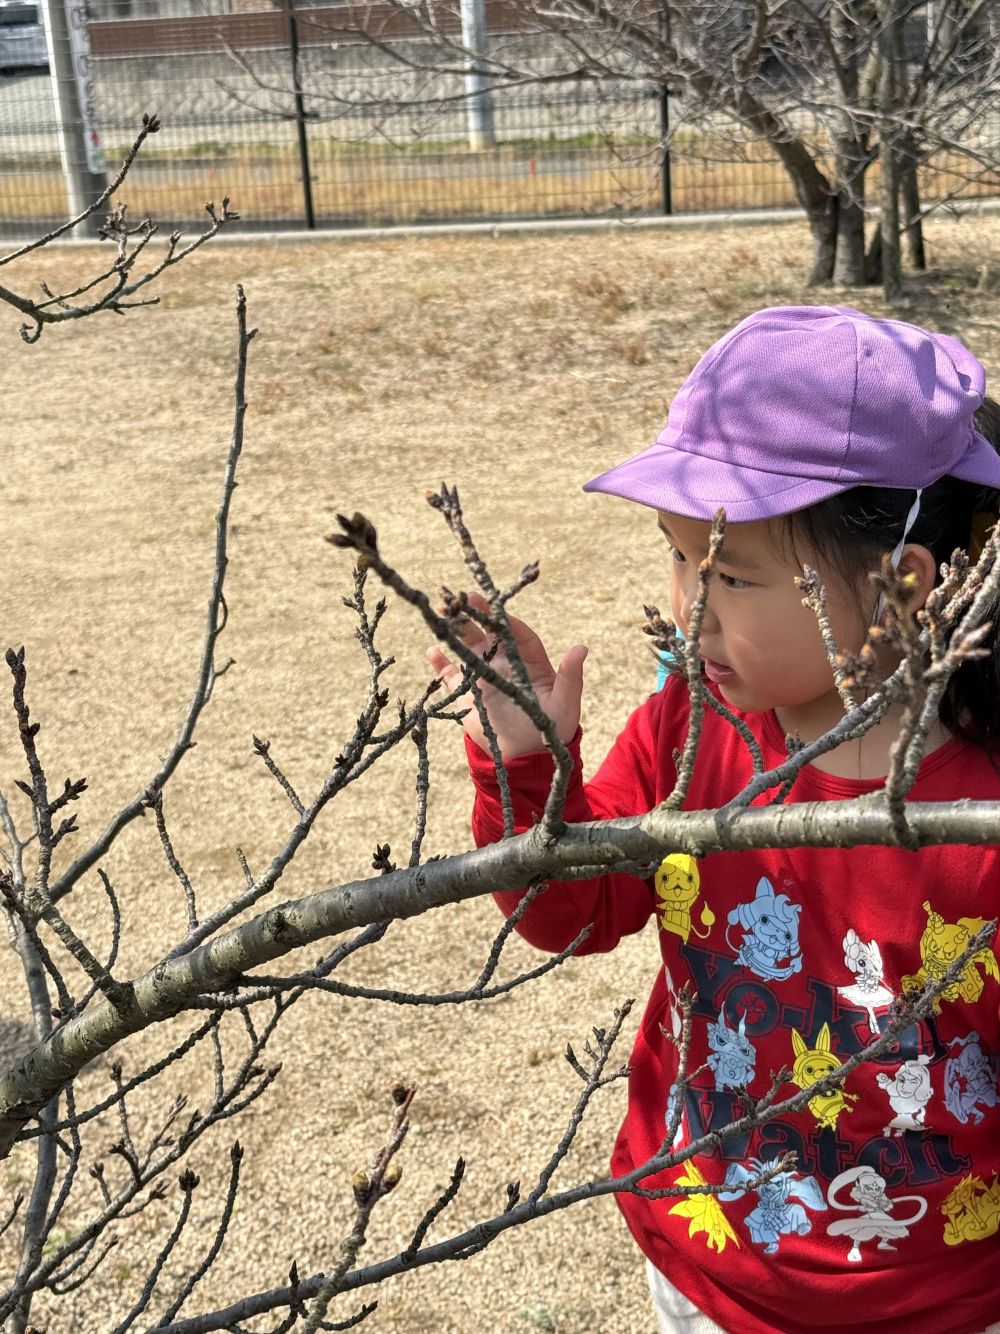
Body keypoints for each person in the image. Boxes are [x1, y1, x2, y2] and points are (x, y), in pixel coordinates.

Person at [427, 306, 1000, 1334]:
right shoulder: (695, 725)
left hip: (938, 1298)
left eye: (730, 574)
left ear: (899, 586)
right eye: (678, 557)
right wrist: (528, 770)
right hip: (707, 1264)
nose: (688, 606)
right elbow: (573, 911)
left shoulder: (979, 815)